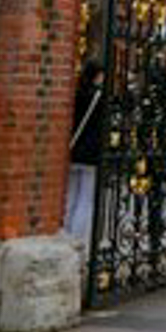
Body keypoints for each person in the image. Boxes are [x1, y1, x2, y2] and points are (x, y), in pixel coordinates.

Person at [64, 60, 105, 246]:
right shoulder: (98, 96)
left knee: (71, 195)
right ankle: (76, 240)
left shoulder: (76, 93)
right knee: (85, 198)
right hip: (90, 151)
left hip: (73, 149)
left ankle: (65, 233)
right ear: (97, 75)